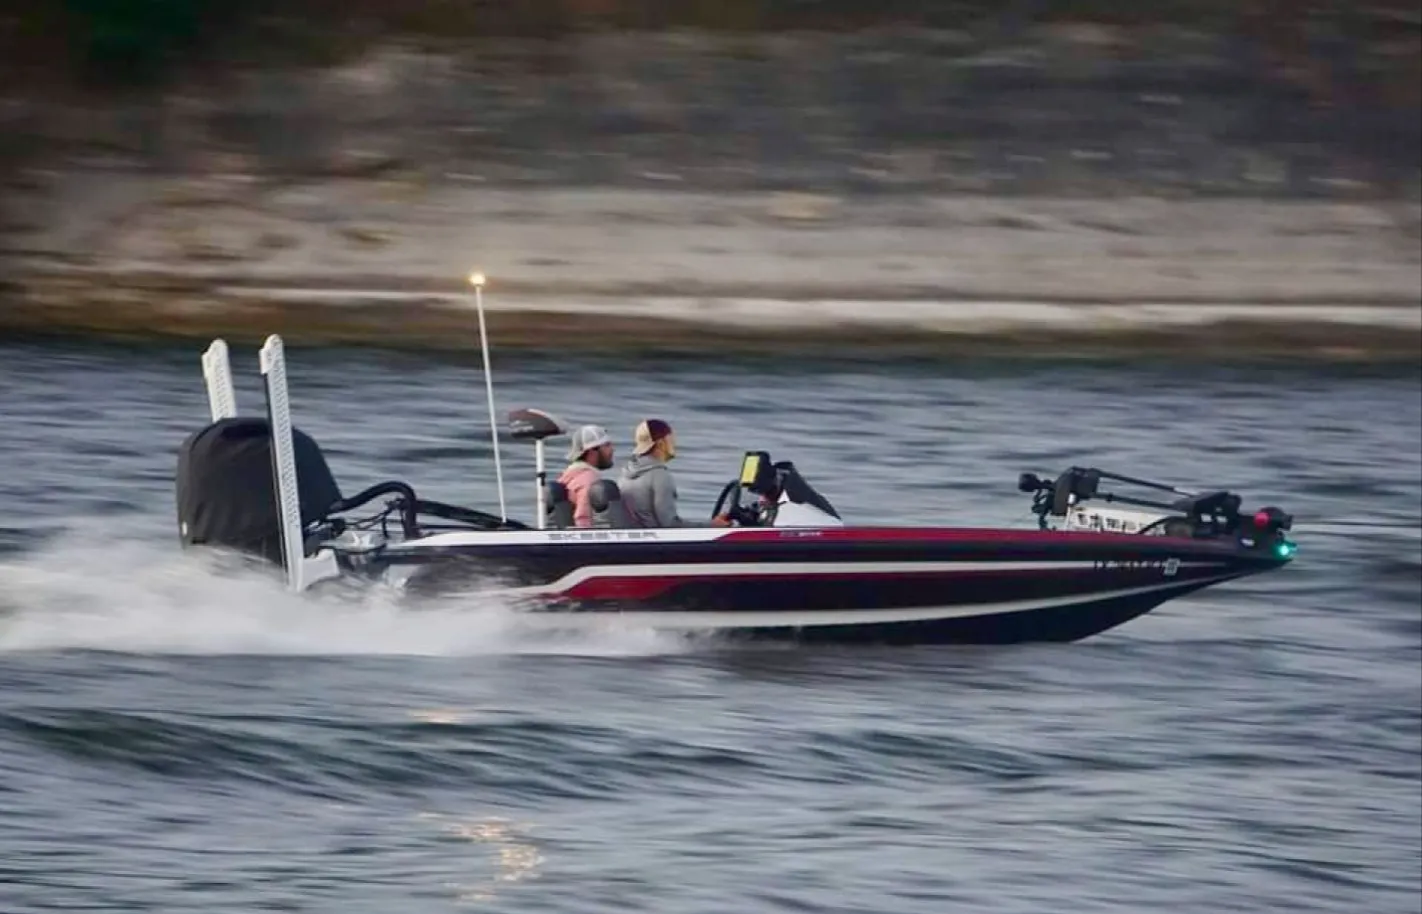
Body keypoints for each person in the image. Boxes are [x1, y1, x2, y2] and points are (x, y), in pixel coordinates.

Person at [618, 418, 731, 527]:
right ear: (661, 443)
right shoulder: (659, 476)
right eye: (671, 438)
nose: (674, 442)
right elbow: (670, 524)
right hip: (658, 544)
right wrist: (712, 525)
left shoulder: (624, 475)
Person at [558, 424, 614, 527]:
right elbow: (583, 521)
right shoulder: (589, 480)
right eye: (607, 445)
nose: (612, 449)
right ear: (592, 450)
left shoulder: (569, 476)